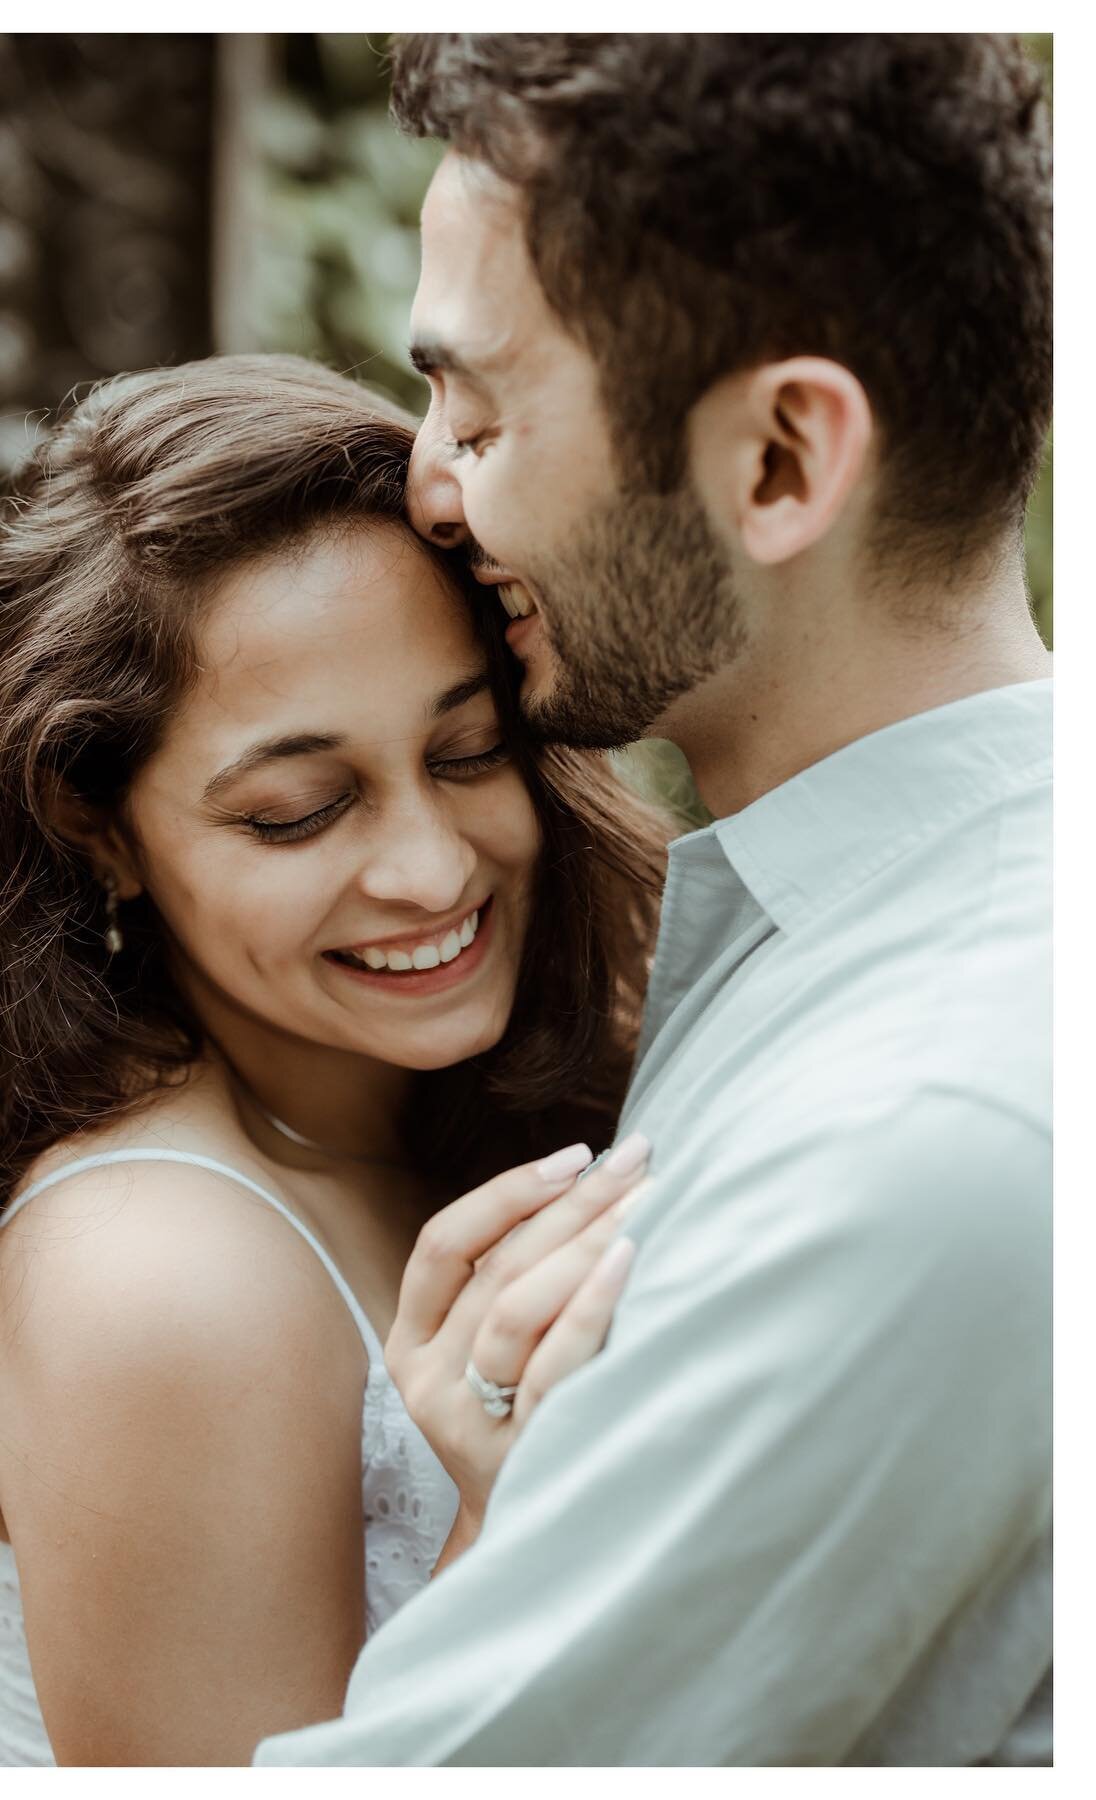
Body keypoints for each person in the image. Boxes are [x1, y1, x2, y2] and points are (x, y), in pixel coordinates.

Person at [257, 33, 1054, 1768]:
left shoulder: (912, 1139)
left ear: (779, 463)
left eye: (480, 413)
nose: (427, 483)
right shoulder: (848, 947)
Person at [0, 354, 671, 1766]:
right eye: (299, 814)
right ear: (99, 825)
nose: (430, 870)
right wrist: (499, 1519)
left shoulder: (467, 1109)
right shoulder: (154, 1273)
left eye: (470, 749)